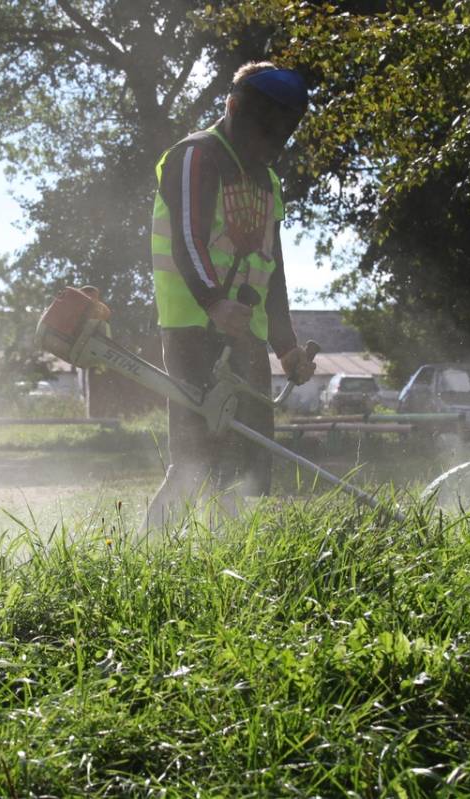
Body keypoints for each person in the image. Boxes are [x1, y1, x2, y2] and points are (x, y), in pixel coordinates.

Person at [144, 62, 317, 529]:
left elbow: (272, 268)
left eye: (277, 138)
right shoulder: (195, 156)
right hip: (193, 329)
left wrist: (286, 346)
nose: (266, 146)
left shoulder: (267, 180)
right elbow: (188, 237)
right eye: (259, 132)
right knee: (197, 456)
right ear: (232, 106)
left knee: (248, 461)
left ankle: (229, 556)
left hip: (247, 337)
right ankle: (148, 553)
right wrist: (214, 302)